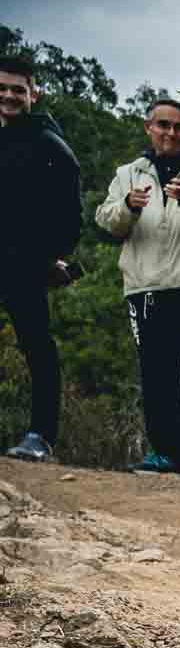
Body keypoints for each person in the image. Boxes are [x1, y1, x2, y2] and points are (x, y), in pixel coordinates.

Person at [95, 97, 180, 476]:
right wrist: (128, 206)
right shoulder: (128, 174)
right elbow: (106, 220)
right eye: (163, 125)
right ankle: (165, 453)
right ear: (148, 128)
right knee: (156, 373)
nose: (171, 133)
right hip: (146, 287)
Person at [1, 54, 83, 463]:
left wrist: (52, 255)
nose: (9, 96)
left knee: (36, 346)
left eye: (18, 89)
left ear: (34, 94)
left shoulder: (47, 141)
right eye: (2, 88)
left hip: (23, 263)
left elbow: (71, 207)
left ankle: (41, 436)